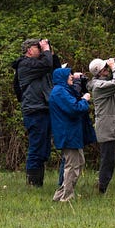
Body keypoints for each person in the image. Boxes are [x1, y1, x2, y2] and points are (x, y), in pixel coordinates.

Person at [13, 38, 57, 187]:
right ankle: (33, 184)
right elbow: (46, 64)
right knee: (36, 147)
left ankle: (38, 182)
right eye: (37, 47)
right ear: (29, 50)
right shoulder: (25, 64)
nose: (41, 49)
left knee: (43, 148)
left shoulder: (38, 66)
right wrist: (46, 51)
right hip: (34, 110)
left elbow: (53, 68)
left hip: (43, 109)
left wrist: (49, 52)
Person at [49, 67, 92, 201]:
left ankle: (59, 195)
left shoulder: (63, 90)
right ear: (62, 77)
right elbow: (75, 108)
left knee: (79, 162)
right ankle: (66, 197)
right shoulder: (60, 92)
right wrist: (85, 100)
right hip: (67, 133)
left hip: (70, 132)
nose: (72, 77)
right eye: (69, 76)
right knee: (72, 165)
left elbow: (73, 98)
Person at [86, 58, 115, 193]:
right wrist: (113, 66)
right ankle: (102, 188)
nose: (108, 70)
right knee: (108, 160)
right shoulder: (99, 86)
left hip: (109, 126)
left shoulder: (102, 83)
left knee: (109, 158)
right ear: (101, 72)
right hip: (106, 127)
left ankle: (102, 186)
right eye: (106, 68)